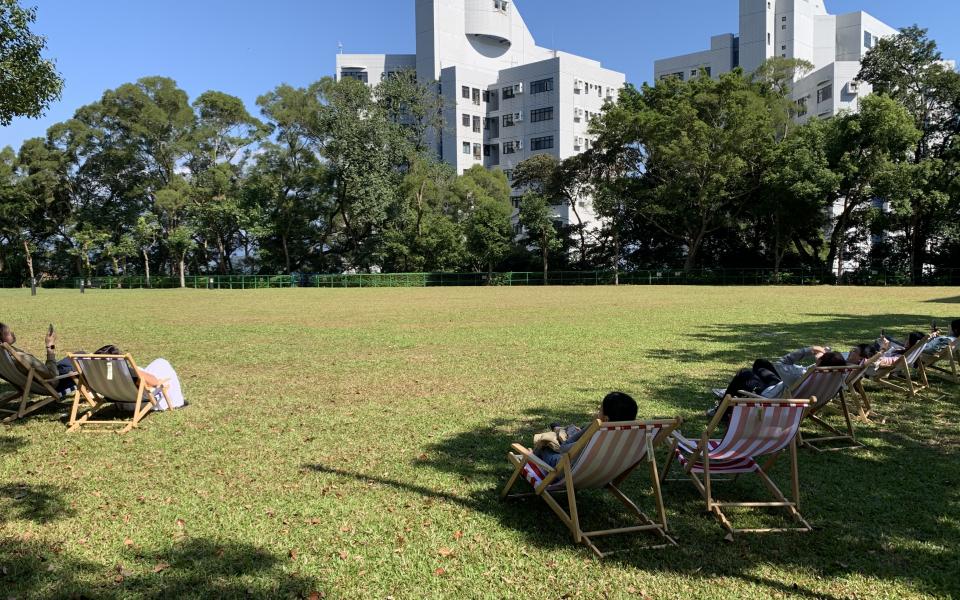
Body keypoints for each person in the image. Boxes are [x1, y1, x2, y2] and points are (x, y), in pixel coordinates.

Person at [534, 391, 637, 468]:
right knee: (572, 431)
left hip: (567, 471)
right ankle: (559, 429)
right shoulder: (629, 437)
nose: (598, 412)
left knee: (544, 445)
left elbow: (563, 448)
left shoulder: (596, 437)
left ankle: (534, 457)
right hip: (602, 473)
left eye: (600, 410)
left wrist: (591, 426)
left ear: (606, 419)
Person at [91, 345, 186, 411]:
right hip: (136, 403)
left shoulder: (97, 374)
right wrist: (131, 369)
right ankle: (177, 401)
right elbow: (155, 383)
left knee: (152, 366)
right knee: (161, 362)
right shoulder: (127, 373)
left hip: (118, 401)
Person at [0, 322, 75, 393]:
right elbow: (53, 375)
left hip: (34, 383)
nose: (12, 333)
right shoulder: (21, 358)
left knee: (73, 359)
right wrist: (50, 345)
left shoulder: (4, 356)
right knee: (80, 358)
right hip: (52, 384)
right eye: (8, 333)